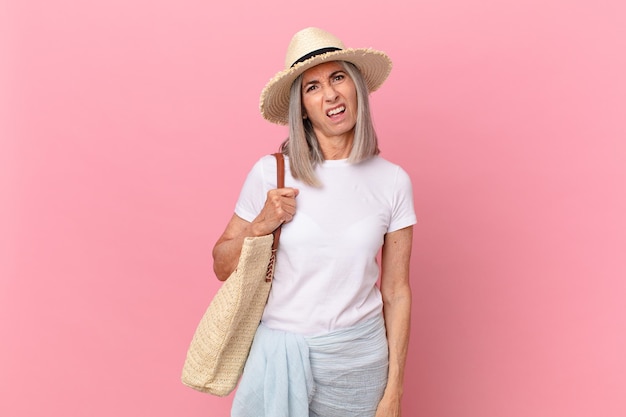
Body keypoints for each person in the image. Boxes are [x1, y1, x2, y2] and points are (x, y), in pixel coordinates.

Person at [212, 27, 416, 417]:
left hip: (359, 366)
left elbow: (397, 292)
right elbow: (221, 265)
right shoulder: (271, 174)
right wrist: (260, 226)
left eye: (338, 77)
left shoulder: (393, 181)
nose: (331, 94)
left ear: (356, 88)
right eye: (312, 87)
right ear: (301, 107)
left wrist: (394, 393)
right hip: (279, 359)